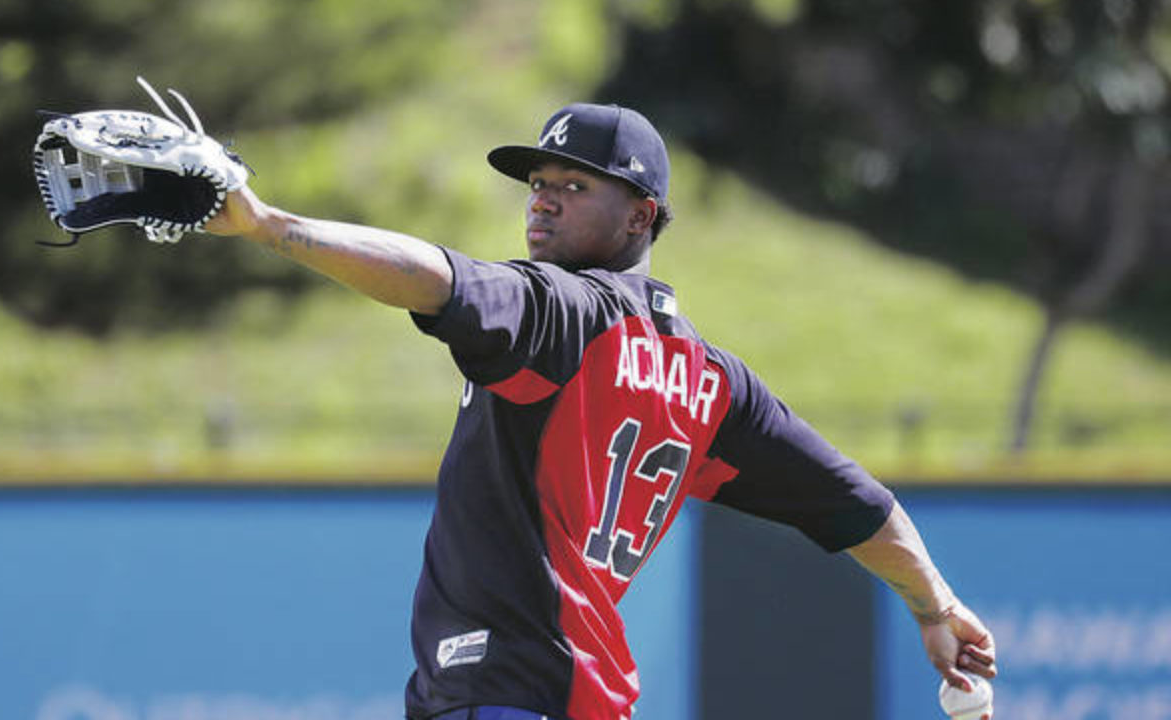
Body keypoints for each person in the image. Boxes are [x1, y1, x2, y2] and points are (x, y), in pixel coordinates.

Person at [205, 103, 997, 720]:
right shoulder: (716, 384)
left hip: (510, 684)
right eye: (538, 185)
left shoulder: (560, 313)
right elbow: (857, 505)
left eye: (574, 187)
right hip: (577, 693)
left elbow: (437, 278)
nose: (542, 204)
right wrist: (937, 603)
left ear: (640, 215)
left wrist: (272, 226)